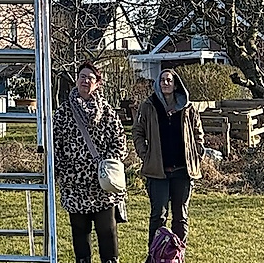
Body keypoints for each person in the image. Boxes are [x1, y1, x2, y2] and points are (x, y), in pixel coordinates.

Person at [53, 62, 127, 263]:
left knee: (107, 231)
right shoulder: (63, 112)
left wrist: (107, 165)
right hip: (74, 184)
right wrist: (65, 171)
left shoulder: (108, 112)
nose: (85, 81)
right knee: (80, 232)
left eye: (90, 78)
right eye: (82, 76)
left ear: (97, 83)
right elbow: (55, 144)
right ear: (76, 80)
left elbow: (120, 141)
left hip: (103, 185)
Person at [133, 68, 205, 248]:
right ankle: (156, 255)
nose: (165, 83)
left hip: (183, 171)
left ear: (175, 84)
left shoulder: (187, 107)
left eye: (169, 80)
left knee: (180, 217)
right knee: (159, 216)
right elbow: (137, 132)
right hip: (158, 171)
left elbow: (198, 132)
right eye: (162, 80)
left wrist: (197, 153)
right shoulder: (148, 105)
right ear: (158, 84)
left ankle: (177, 255)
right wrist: (145, 154)